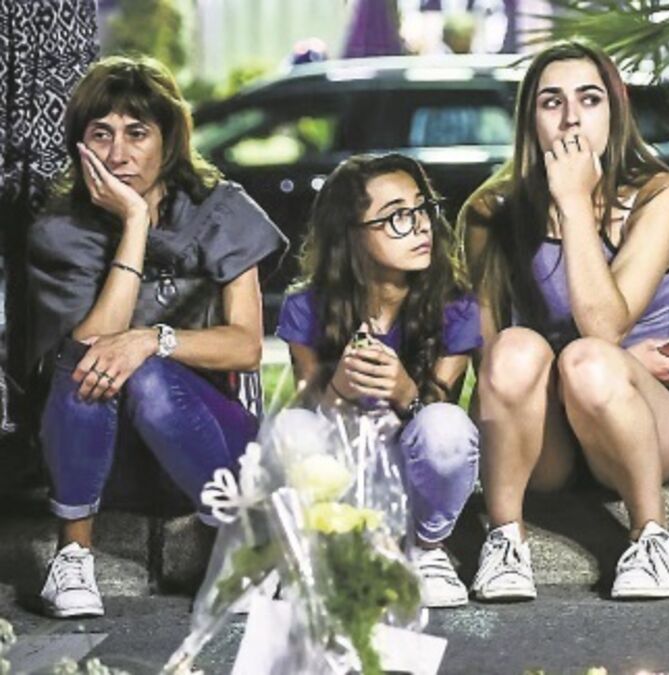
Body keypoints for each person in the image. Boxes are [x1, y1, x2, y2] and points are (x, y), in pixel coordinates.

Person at [27, 56, 286, 618]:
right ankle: (73, 559)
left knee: (144, 372)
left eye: (137, 133)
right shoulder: (59, 230)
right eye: (101, 134)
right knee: (93, 360)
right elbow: (85, 354)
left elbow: (246, 346)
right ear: (80, 145)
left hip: (211, 444)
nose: (118, 154)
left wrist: (154, 339)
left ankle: (243, 544)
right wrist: (134, 225)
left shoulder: (222, 210)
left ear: (168, 141)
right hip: (98, 455)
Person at [461, 41, 669, 601]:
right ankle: (505, 541)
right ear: (530, 120)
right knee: (515, 349)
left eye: (589, 99)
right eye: (552, 102)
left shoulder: (659, 196)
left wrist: (573, 203)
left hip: (638, 423)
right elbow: (489, 365)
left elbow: (604, 329)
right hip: (547, 439)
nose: (571, 118)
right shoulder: (491, 212)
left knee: (590, 361)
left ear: (614, 112)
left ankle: (653, 537)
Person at [276, 153, 481, 608]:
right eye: (397, 216)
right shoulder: (306, 307)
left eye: (422, 208)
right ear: (352, 233)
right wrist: (339, 389)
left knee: (446, 425)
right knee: (294, 427)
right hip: (348, 475)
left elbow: (441, 427)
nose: (421, 225)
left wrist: (405, 392)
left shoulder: (455, 306)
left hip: (415, 478)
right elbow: (307, 422)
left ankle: (428, 551)